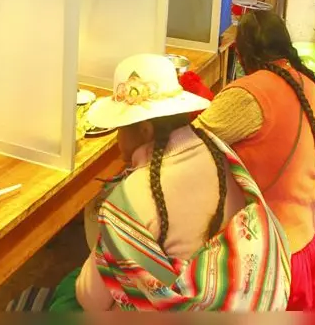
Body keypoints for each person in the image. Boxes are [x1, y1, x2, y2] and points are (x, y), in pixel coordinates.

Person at [45, 54, 290, 311]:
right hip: (246, 298)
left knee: (67, 297)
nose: (118, 141)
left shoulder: (131, 200)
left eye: (121, 128)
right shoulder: (217, 150)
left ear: (145, 131)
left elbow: (92, 300)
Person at [191, 9, 315, 311]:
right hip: (309, 245)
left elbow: (191, 143)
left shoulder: (248, 94)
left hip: (271, 255)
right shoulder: (312, 86)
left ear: (241, 55)